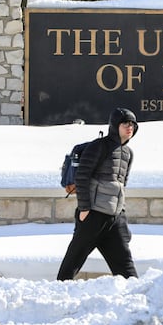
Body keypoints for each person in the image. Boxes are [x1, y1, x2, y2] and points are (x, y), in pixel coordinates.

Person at [56, 108, 139, 280]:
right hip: (93, 214)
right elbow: (82, 177)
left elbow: (122, 185)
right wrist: (85, 208)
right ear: (115, 126)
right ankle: (58, 292)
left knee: (125, 264)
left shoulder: (128, 153)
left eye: (132, 124)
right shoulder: (98, 146)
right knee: (74, 259)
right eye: (125, 123)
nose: (129, 127)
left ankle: (136, 299)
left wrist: (121, 214)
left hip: (113, 217)